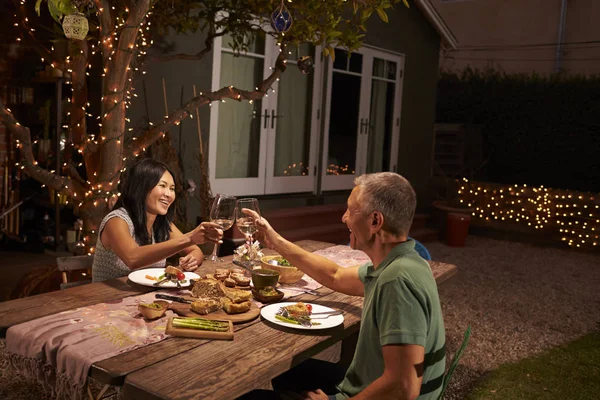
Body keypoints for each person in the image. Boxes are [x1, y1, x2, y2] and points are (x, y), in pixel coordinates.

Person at [243, 172, 446, 400]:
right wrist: (275, 241)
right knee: (287, 371)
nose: (344, 217)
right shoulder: (404, 262)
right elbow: (335, 275)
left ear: (375, 221)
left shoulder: (396, 281)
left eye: (351, 210)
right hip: (371, 381)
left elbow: (404, 386)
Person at [92, 159, 223, 282]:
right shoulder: (117, 220)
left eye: (172, 189)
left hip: (146, 296)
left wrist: (191, 260)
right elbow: (133, 258)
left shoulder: (161, 223)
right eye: (162, 186)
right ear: (142, 188)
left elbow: (196, 251)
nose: (169, 194)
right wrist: (190, 237)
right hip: (106, 300)